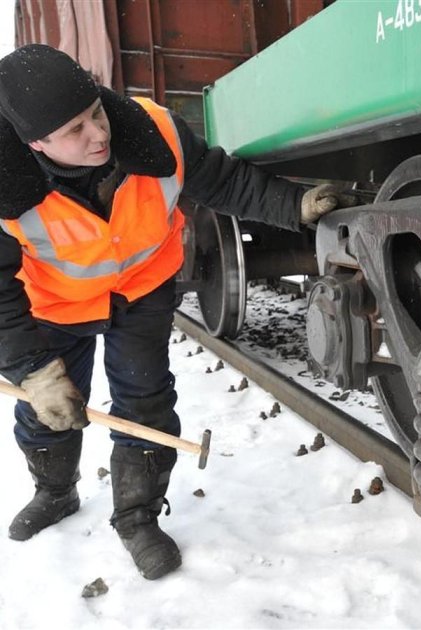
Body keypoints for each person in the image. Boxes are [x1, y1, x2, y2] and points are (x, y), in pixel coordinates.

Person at [0, 44, 356, 580]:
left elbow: (223, 180)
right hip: (55, 304)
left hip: (142, 289)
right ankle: (54, 492)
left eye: (96, 112)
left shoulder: (153, 130)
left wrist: (293, 206)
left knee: (145, 401)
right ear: (36, 144)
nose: (98, 134)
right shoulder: (5, 182)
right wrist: (32, 370)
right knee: (47, 407)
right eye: (75, 130)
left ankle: (137, 517)